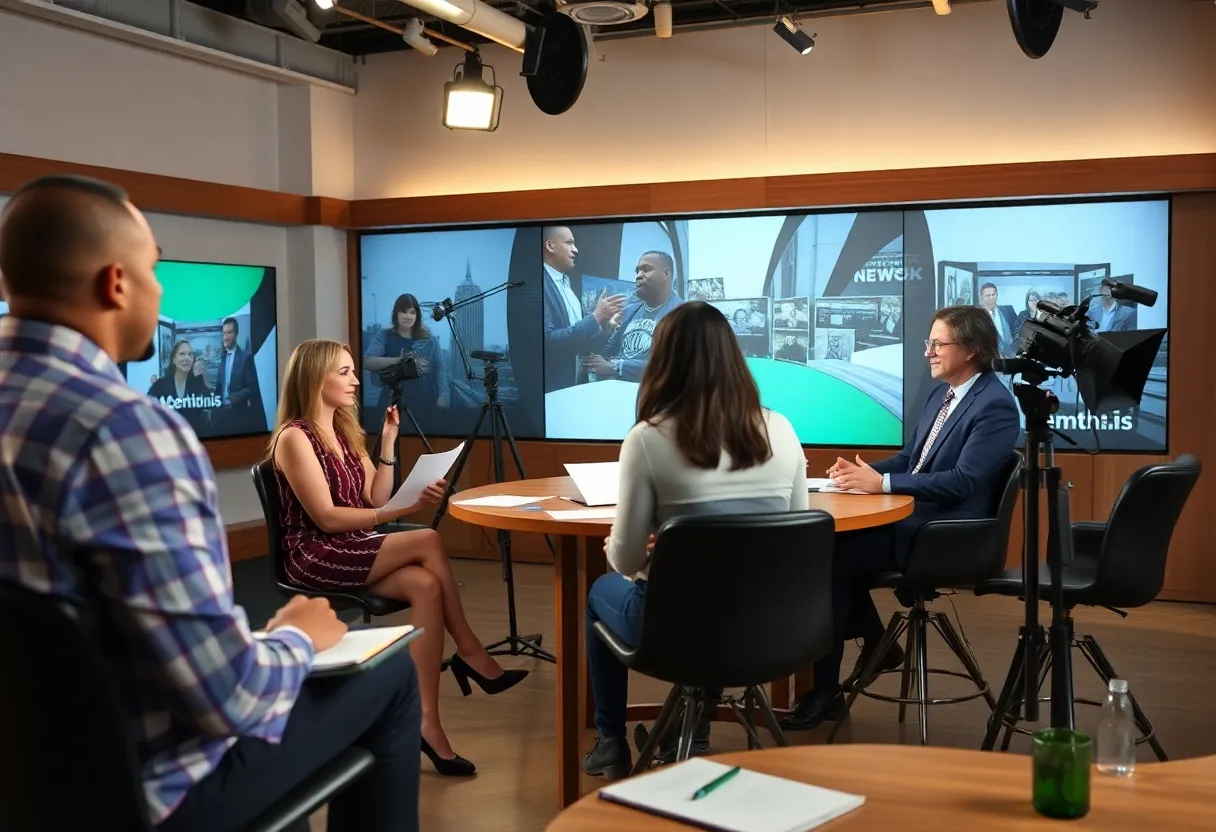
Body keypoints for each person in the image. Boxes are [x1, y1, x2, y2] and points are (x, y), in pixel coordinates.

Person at [0, 174, 422, 832]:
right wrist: (291, 640)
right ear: (116, 283)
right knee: (389, 678)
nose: (160, 287)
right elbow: (227, 698)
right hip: (144, 796)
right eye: (154, 268)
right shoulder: (127, 432)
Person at [270, 339, 528, 776]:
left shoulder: (343, 431)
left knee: (425, 585)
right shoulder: (295, 437)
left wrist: (388, 442)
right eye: (345, 372)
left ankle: (426, 721)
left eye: (354, 371)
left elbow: (376, 496)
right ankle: (469, 650)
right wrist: (400, 513)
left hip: (352, 547)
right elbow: (329, 519)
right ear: (317, 378)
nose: (356, 380)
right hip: (315, 553)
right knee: (426, 538)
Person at [581, 301, 809, 777]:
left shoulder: (646, 438)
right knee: (718, 588)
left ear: (663, 362)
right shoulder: (783, 430)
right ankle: (690, 733)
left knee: (601, 593)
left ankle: (610, 739)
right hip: (771, 627)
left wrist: (637, 549)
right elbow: (794, 533)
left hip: (675, 629)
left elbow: (623, 561)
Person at [779, 305, 1019, 731]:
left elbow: (963, 481)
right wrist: (863, 474)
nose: (928, 351)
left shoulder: (995, 405)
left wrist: (883, 486)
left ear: (973, 350)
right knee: (827, 549)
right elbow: (913, 459)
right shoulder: (942, 393)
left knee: (828, 559)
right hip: (917, 520)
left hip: (946, 534)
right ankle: (876, 645)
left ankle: (828, 691)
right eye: (929, 342)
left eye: (938, 343)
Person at [541, 225, 625, 392]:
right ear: (550, 246)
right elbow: (548, 341)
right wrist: (595, 317)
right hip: (553, 391)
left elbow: (578, 343)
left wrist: (606, 328)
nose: (576, 250)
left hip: (576, 388)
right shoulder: (539, 285)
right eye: (569, 243)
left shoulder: (569, 287)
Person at [582, 250, 683, 382]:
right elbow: (608, 351)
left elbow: (676, 366)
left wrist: (618, 367)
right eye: (637, 271)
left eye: (646, 269)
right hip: (624, 393)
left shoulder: (685, 314)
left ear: (666, 273)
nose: (638, 276)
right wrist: (605, 325)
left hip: (659, 396)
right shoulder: (630, 311)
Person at [362, 293, 449, 425]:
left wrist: (443, 395)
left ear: (417, 315)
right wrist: (397, 360)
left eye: (412, 312)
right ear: (396, 313)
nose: (408, 316)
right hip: (392, 401)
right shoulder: (384, 335)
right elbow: (367, 362)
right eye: (404, 312)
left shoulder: (429, 338)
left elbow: (439, 368)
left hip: (425, 401)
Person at [147, 338, 214, 434]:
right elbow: (146, 409)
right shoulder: (160, 384)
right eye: (182, 354)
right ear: (174, 359)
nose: (187, 358)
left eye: (190, 354)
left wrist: (206, 382)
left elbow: (213, 403)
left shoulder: (197, 383)